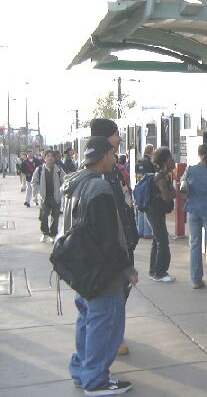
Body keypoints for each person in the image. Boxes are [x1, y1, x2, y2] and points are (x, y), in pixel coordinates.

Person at [62, 136, 137, 396]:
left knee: (86, 320)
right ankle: (96, 381)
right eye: (113, 153)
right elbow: (108, 238)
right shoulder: (99, 188)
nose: (115, 159)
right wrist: (126, 268)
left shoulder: (75, 183)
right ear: (104, 155)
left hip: (83, 269)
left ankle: (82, 372)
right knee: (105, 326)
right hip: (103, 274)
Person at [90, 118, 140, 356]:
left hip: (122, 243)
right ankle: (112, 340)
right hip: (113, 250)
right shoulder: (99, 177)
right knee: (113, 297)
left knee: (120, 295)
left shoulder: (110, 172)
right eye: (116, 134)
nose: (120, 139)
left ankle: (114, 336)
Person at [181, 144, 207, 292]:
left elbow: (183, 188)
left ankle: (196, 280)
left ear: (199, 155)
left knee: (195, 244)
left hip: (192, 209)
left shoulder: (190, 170)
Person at [147, 146, 177, 282]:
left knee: (157, 240)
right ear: (165, 161)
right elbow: (166, 197)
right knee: (163, 242)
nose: (174, 161)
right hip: (155, 212)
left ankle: (153, 270)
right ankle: (160, 272)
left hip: (156, 212)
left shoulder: (162, 175)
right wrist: (175, 193)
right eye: (171, 159)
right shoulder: (161, 177)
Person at [32, 150, 65, 243]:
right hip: (44, 197)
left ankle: (53, 234)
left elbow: (65, 180)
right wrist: (37, 193)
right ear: (44, 158)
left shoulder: (59, 169)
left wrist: (61, 191)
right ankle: (45, 233)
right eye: (48, 156)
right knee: (44, 216)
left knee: (55, 216)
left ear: (54, 158)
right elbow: (34, 182)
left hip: (56, 196)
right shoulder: (39, 170)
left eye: (51, 156)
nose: (50, 158)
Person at [136, 144, 155, 239]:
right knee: (147, 207)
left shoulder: (139, 161)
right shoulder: (150, 163)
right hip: (147, 188)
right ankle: (147, 232)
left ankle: (141, 230)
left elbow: (138, 175)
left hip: (139, 187)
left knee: (140, 208)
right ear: (151, 151)